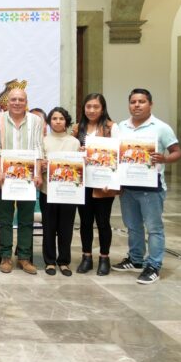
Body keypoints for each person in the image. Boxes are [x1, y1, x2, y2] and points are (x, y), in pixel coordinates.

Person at [112, 88, 181, 284]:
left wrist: (165, 159)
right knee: (132, 226)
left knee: (154, 228)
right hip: (127, 187)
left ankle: (153, 265)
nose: (137, 105)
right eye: (133, 101)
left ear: (150, 104)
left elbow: (177, 151)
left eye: (141, 101)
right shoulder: (121, 127)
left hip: (151, 188)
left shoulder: (161, 127)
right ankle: (135, 260)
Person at [0, 88, 44, 275]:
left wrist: (38, 173)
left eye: (21, 99)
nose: (17, 103)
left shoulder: (36, 120)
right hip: (5, 176)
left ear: (26, 101)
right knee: (5, 219)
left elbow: (38, 146)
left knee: (26, 219)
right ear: (7, 102)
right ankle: (5, 256)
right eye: (13, 99)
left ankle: (24, 257)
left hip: (28, 177)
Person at [71, 93, 119, 275]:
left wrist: (112, 181)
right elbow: (71, 154)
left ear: (103, 108)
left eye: (96, 107)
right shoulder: (77, 128)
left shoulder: (111, 128)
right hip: (83, 182)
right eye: (88, 106)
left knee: (103, 221)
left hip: (103, 183)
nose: (91, 110)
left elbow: (118, 157)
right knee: (85, 222)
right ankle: (86, 257)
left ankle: (104, 258)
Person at [39, 107, 80, 277]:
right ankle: (49, 262)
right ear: (49, 122)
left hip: (69, 193)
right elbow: (38, 166)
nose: (57, 121)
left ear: (66, 121)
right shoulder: (42, 141)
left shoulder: (74, 142)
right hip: (47, 191)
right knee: (49, 228)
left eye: (61, 118)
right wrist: (41, 166)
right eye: (54, 118)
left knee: (66, 229)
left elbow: (79, 169)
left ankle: (64, 261)